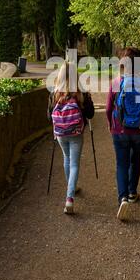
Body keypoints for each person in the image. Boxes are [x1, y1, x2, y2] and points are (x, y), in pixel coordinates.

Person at [106, 47, 140, 221]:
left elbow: (108, 109)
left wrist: (110, 124)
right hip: (139, 131)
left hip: (119, 130)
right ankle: (132, 193)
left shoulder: (115, 83)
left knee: (122, 163)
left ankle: (122, 198)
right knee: (135, 160)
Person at [48, 61, 94, 214]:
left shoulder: (54, 93)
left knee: (66, 158)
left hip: (60, 133)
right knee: (74, 164)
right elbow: (90, 114)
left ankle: (71, 187)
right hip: (76, 133)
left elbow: (49, 116)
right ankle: (69, 198)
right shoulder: (80, 92)